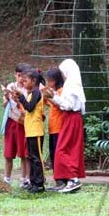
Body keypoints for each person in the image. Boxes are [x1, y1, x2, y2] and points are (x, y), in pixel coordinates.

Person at [41, 59, 86, 193]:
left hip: (71, 117)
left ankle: (73, 179)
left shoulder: (72, 85)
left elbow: (67, 105)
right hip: (71, 118)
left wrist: (53, 97)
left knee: (62, 149)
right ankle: (72, 179)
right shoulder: (73, 84)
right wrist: (53, 96)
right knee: (69, 148)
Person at [14, 68, 46, 193]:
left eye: (26, 81)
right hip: (30, 130)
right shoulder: (32, 93)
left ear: (34, 81)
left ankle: (39, 183)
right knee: (31, 157)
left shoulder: (37, 92)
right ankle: (33, 182)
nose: (24, 83)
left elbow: (30, 107)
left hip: (36, 131)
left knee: (37, 158)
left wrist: (21, 97)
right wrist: (20, 98)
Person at [1, 63, 31, 188]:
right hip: (11, 121)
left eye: (23, 76)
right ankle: (7, 178)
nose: (20, 79)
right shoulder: (11, 86)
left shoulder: (28, 89)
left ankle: (24, 179)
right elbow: (4, 105)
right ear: (15, 75)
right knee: (9, 152)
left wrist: (19, 98)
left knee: (24, 153)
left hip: (23, 122)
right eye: (18, 75)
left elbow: (28, 107)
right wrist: (7, 98)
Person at [44, 68, 66, 191]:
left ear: (56, 81)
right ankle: (58, 180)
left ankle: (62, 180)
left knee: (58, 155)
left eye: (51, 81)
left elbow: (60, 104)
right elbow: (51, 105)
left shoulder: (61, 91)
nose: (49, 83)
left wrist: (50, 96)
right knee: (53, 155)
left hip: (59, 128)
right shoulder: (54, 92)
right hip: (52, 129)